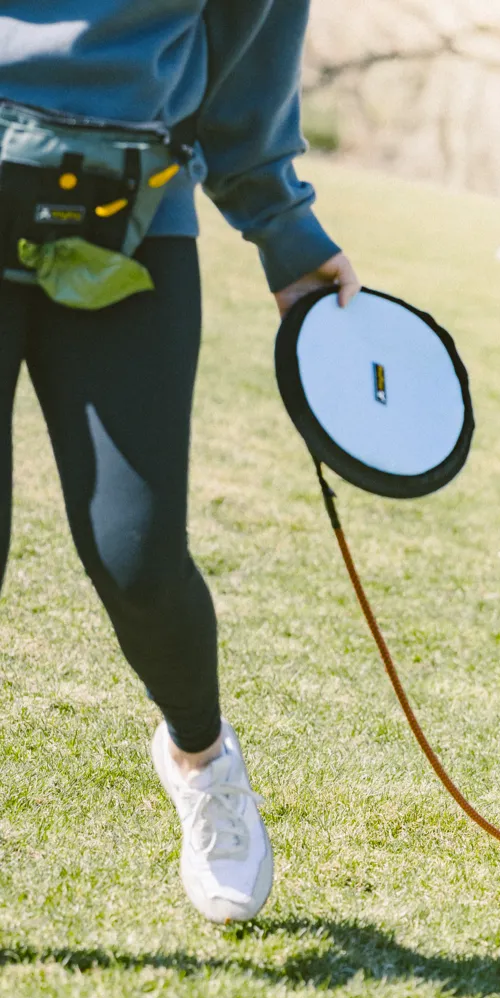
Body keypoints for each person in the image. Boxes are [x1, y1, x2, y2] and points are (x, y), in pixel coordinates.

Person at [0, 2, 360, 924]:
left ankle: (201, 758)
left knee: (138, 554)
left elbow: (246, 49)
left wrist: (283, 227)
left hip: (131, 202)